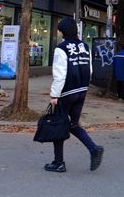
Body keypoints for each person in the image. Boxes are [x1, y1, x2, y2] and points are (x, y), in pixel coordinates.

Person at [44, 17, 104, 173]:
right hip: (81, 91)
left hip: (66, 92)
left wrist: (54, 96)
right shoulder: (85, 46)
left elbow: (59, 75)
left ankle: (59, 162)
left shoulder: (61, 48)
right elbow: (89, 70)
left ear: (63, 31)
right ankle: (93, 148)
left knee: (58, 124)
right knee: (73, 124)